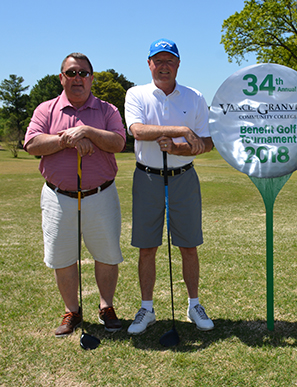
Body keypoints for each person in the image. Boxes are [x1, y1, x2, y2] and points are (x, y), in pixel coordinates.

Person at [24, 53, 126, 337]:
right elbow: (31, 143)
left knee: (106, 254)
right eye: (71, 73)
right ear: (62, 78)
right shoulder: (46, 109)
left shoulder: (107, 111)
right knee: (62, 257)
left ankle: (106, 306)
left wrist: (89, 132)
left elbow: (118, 141)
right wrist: (65, 139)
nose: (77, 78)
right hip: (58, 196)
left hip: (100, 194)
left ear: (91, 78)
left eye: (83, 73)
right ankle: (72, 310)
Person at [124, 38, 214, 335]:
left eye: (169, 61)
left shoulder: (194, 96)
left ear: (178, 64)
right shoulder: (136, 94)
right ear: (149, 64)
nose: (164, 66)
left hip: (183, 178)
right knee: (147, 246)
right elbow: (137, 130)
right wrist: (180, 131)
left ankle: (194, 304)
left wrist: (177, 150)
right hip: (147, 177)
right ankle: (147, 308)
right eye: (158, 61)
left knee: (189, 245)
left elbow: (206, 142)